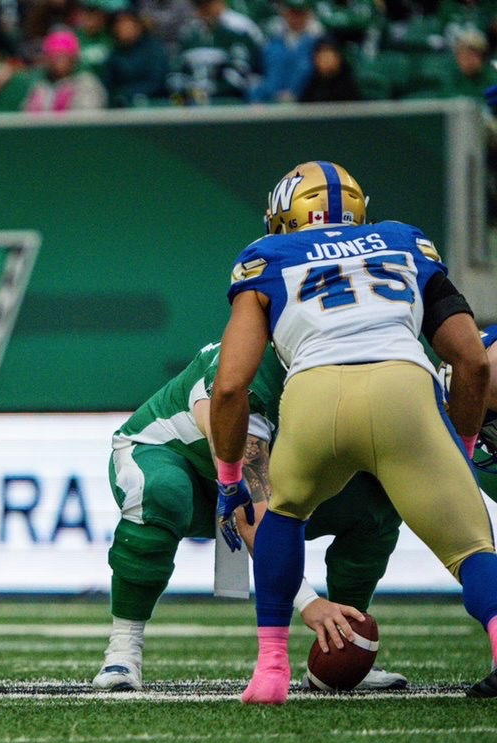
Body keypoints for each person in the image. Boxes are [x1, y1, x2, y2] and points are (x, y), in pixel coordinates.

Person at [210, 160, 497, 703]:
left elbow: (229, 387)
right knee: (472, 548)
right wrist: (457, 449)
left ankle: (270, 671)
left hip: (315, 395)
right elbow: (472, 360)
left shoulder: (266, 256)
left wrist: (229, 481)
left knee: (284, 515)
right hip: (404, 391)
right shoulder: (404, 241)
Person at [93, 340, 406, 692]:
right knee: (162, 492)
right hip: (178, 460)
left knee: (377, 500)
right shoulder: (249, 377)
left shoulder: (363, 364)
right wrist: (309, 602)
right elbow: (253, 515)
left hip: (271, 478)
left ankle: (345, 641)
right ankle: (123, 649)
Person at [171, 0, 264, 103]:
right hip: (192, 101)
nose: (205, 11)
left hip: (229, 101)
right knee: (175, 100)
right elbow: (175, 75)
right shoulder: (189, 36)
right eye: (201, 7)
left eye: (208, 6)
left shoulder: (237, 30)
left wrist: (208, 92)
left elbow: (240, 76)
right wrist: (184, 97)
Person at [250, 0, 321, 103]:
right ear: (284, 13)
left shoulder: (318, 39)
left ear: (309, 15)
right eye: (292, 13)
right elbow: (258, 71)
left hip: (306, 102)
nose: (296, 18)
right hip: (270, 101)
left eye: (300, 13)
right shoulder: (271, 37)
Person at [101, 7, 170, 106]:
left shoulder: (154, 48)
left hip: (155, 103)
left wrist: (127, 92)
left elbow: (157, 82)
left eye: (127, 23)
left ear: (138, 26)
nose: (123, 27)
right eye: (119, 24)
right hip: (122, 105)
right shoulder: (114, 53)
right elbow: (108, 83)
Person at [24, 30, 107, 112]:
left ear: (74, 59)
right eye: (53, 55)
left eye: (63, 55)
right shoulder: (40, 85)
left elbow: (88, 116)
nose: (57, 60)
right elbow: (25, 114)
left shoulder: (86, 82)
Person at [298, 36, 361, 102]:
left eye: (328, 53)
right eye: (321, 54)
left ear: (338, 57)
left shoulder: (348, 83)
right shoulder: (311, 83)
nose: (325, 59)